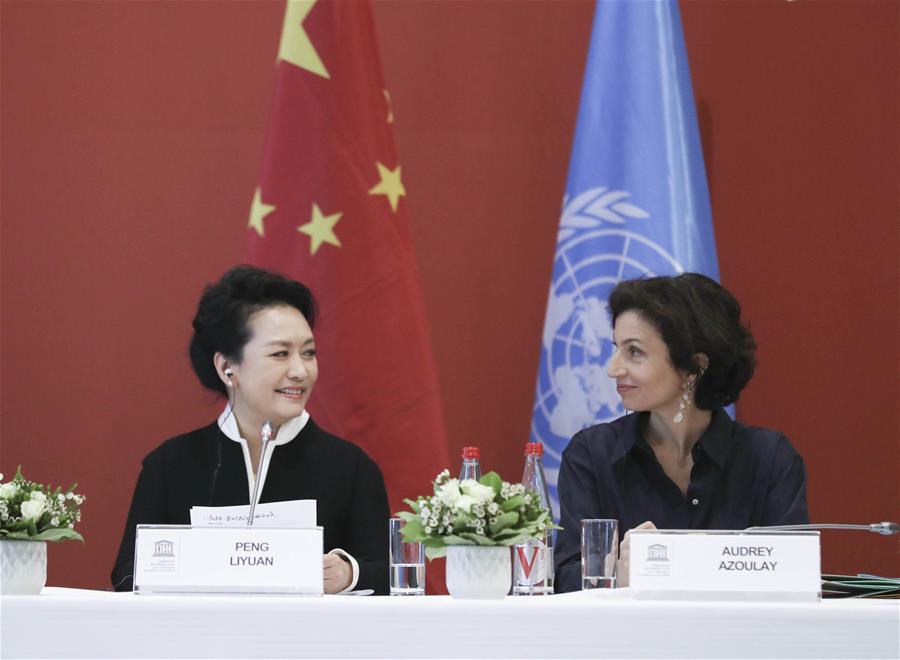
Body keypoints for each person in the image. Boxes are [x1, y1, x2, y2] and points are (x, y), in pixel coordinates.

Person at [111, 265, 390, 593]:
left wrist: (347, 573)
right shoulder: (169, 466)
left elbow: (390, 574)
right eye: (280, 354)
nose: (300, 371)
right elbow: (128, 575)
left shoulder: (352, 468)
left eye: (309, 353)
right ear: (228, 367)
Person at [554, 273, 808, 593]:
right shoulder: (591, 455)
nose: (613, 368)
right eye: (616, 348)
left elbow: (795, 579)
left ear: (693, 367)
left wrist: (711, 561)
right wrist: (615, 573)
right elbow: (561, 579)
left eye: (634, 352)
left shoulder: (770, 460)